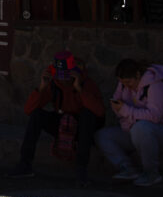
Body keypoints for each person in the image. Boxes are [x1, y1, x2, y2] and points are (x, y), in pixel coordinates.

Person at [6, 50, 104, 184]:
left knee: (88, 116)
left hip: (83, 127)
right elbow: (29, 110)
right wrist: (41, 87)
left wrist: (79, 89)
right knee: (37, 115)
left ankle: (81, 169)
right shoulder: (53, 85)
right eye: (59, 75)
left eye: (66, 75)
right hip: (63, 123)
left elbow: (99, 112)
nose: (63, 79)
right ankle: (25, 164)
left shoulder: (87, 84)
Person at [94, 58, 163, 187]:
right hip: (134, 132)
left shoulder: (155, 86)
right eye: (122, 83)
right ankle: (127, 168)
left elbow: (154, 117)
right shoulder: (123, 85)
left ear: (137, 75)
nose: (126, 86)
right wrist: (118, 106)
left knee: (141, 127)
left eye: (128, 82)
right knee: (102, 136)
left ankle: (151, 173)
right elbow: (119, 106)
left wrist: (125, 110)